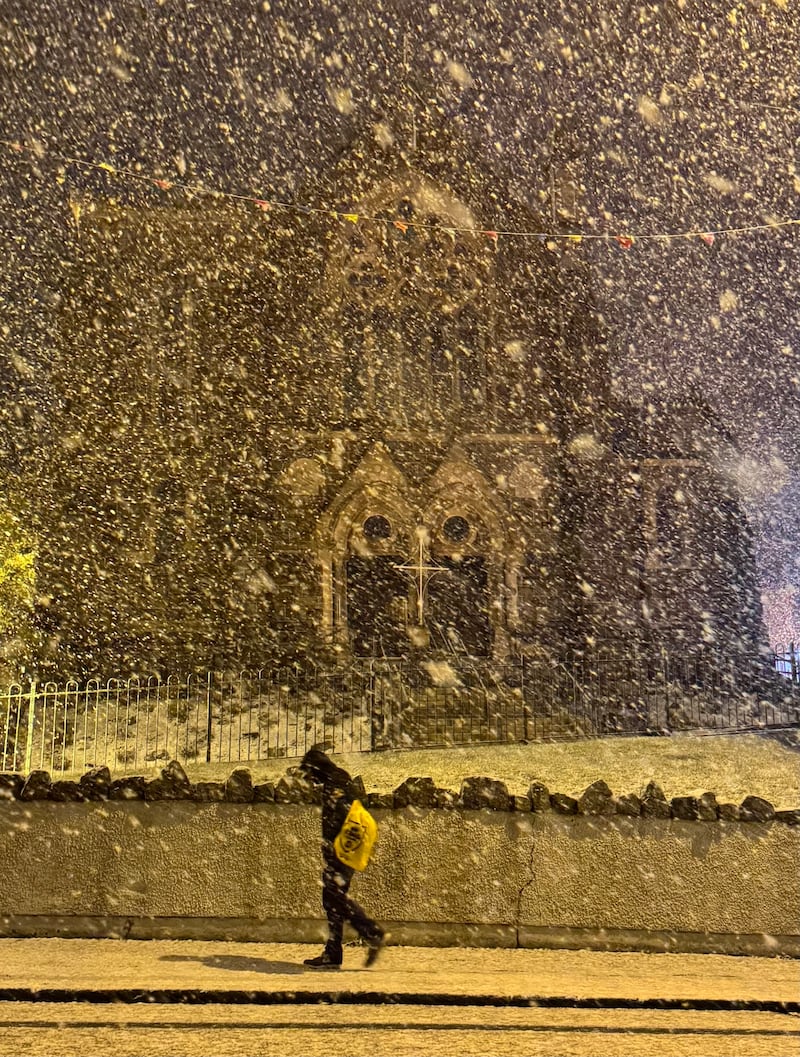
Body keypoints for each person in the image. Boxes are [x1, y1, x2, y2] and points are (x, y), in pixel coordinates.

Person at [297, 746, 386, 969]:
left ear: (317, 769)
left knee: (335, 899)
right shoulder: (340, 782)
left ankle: (370, 933)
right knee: (332, 900)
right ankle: (333, 952)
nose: (309, 778)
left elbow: (340, 819)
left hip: (341, 853)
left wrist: (332, 848)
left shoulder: (335, 788)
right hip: (344, 851)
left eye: (310, 773)